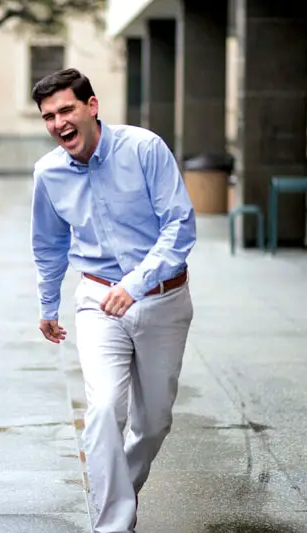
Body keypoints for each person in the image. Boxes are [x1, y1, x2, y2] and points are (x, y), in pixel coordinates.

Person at [29, 68, 196, 533]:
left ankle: (120, 491)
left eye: (66, 110)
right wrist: (47, 306)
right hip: (98, 298)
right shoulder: (48, 173)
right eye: (48, 116)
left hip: (163, 297)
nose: (59, 122)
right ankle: (114, 525)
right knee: (103, 409)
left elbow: (179, 226)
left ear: (92, 106)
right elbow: (48, 245)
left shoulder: (144, 148)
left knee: (154, 422)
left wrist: (136, 284)